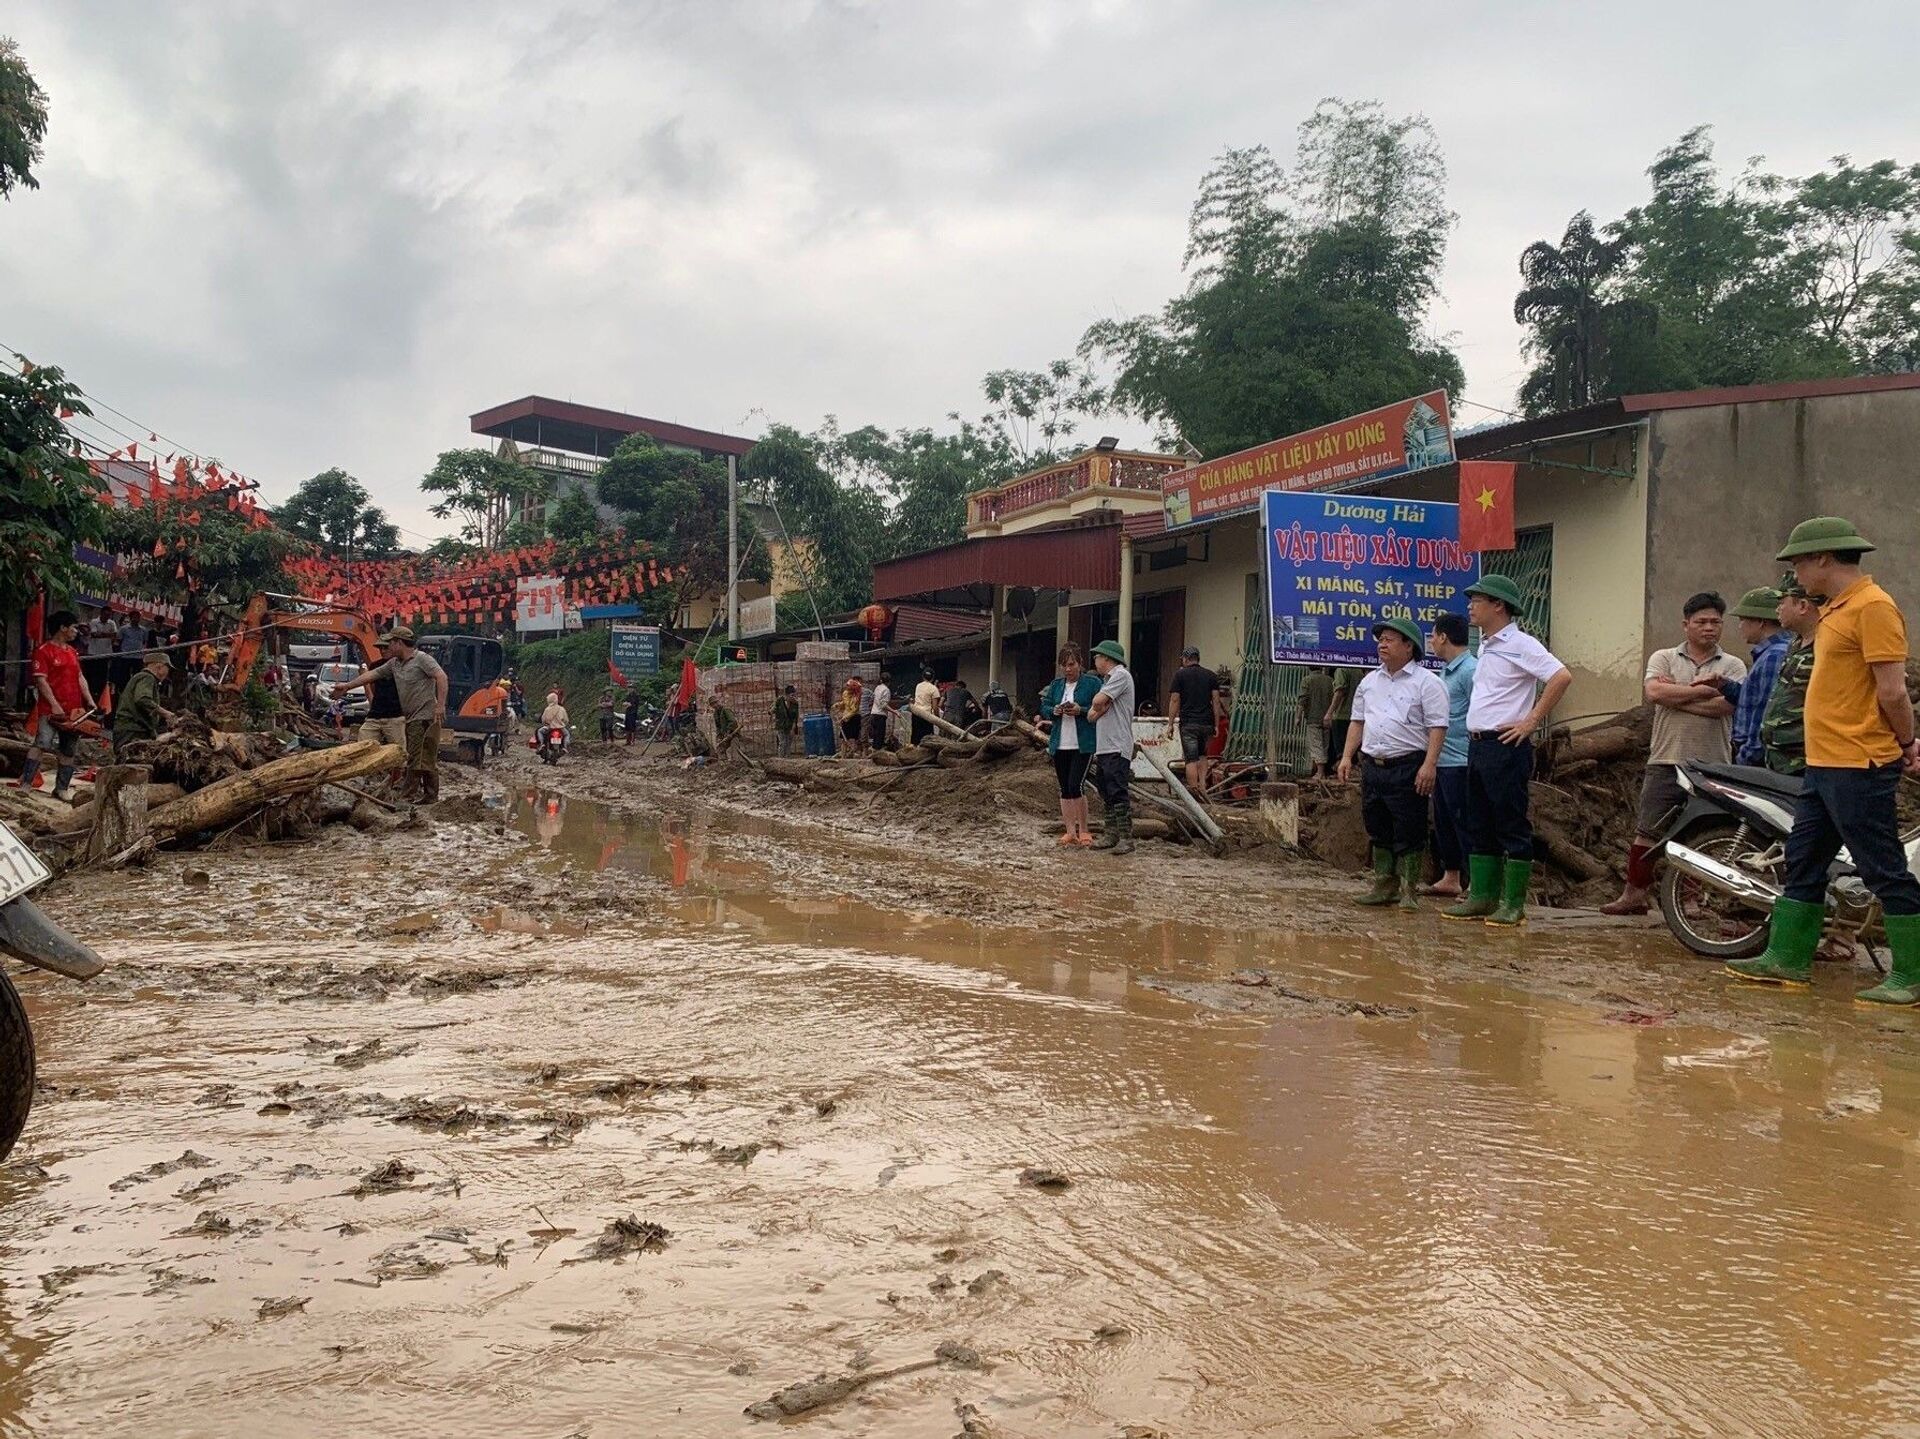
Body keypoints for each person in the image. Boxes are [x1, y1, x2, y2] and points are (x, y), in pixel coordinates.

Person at [1729, 518, 1920, 1005]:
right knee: (1805, 859)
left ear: (1822, 559)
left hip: (1859, 761)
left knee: (1882, 867)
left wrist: (1907, 742)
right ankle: (1787, 959)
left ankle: (1911, 975)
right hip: (1824, 761)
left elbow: (1893, 690)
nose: (1795, 575)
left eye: (1797, 563)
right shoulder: (1835, 609)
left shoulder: (1874, 608)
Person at [1602, 592, 1747, 916]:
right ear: (1686, 625)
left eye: (1715, 622)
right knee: (1647, 830)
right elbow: (1654, 692)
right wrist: (1703, 690)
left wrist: (1677, 695)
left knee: (1699, 834)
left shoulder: (1733, 665)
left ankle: (1690, 901)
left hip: (1712, 765)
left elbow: (1727, 705)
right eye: (1701, 622)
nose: (1709, 628)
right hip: (1666, 759)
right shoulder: (1664, 657)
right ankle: (1634, 893)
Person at [1442, 576, 1573, 927]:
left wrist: (1530, 722)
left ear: (1498, 605)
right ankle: (1483, 896)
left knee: (1510, 821)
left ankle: (1513, 903)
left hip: (1505, 746)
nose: (1470, 605)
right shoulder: (1486, 645)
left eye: (1477, 599)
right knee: (1478, 820)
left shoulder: (1521, 644)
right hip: (1478, 744)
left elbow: (1560, 676)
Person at [1337, 618, 1450, 909]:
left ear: (1408, 646)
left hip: (1409, 764)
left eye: (1389, 639)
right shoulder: (1369, 682)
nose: (1381, 644)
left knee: (1410, 827)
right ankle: (1384, 885)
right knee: (1377, 824)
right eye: (1380, 639)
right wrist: (1348, 756)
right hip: (1373, 765)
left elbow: (1438, 726)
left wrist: (1430, 764)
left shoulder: (1428, 683)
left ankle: (1408, 888)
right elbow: (1357, 722)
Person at [328, 627, 448, 803]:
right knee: (425, 756)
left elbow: (441, 677)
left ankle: (407, 797)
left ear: (399, 642)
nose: (388, 646)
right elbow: (372, 675)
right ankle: (430, 796)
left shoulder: (422, 659)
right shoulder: (395, 664)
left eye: (391, 643)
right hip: (412, 716)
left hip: (424, 716)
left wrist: (440, 705)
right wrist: (347, 686)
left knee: (416, 757)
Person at [1424, 613, 1477, 897]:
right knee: (1443, 820)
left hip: (1462, 760)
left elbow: (1479, 714)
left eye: (1433, 635)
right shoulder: (1445, 672)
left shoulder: (1471, 670)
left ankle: (1476, 881)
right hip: (1442, 760)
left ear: (1444, 637)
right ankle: (1451, 876)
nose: (1431, 641)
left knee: (1464, 821)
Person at [20, 611, 96, 801]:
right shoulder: (43, 651)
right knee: (42, 744)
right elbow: (41, 681)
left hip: (73, 711)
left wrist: (90, 700)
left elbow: (80, 677)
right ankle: (26, 784)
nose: (76, 631)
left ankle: (61, 788)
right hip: (50, 710)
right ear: (62, 628)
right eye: (73, 627)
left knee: (69, 749)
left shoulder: (72, 652)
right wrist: (54, 704)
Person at [1757, 573, 1819, 775]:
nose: (1777, 610)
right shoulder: (1795, 644)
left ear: (1802, 606)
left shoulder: (1829, 647)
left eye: (1781, 602)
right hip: (1779, 761)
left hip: (1808, 763)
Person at [1040, 643, 1101, 847]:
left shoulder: (1092, 683)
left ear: (1080, 664)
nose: (1068, 669)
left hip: (1082, 742)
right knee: (1065, 787)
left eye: (1071, 664)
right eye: (1064, 665)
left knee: (1077, 785)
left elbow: (1099, 706)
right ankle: (1069, 831)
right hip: (1060, 742)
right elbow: (1045, 705)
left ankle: (1084, 829)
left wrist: (1081, 710)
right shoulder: (1056, 685)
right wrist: (1054, 711)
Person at [1725, 585, 1789, 766]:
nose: (1739, 626)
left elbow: (1765, 713)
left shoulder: (1774, 657)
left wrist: (1747, 757)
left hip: (1756, 759)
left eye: (1743, 619)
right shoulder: (1771, 653)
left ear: (1760, 622)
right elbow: (1753, 699)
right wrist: (1725, 686)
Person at [1085, 639, 1137, 854]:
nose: (1095, 660)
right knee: (1106, 790)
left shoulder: (1120, 675)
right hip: (1105, 745)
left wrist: (1099, 706)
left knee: (1117, 790)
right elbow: (1090, 715)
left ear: (1106, 657)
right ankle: (1111, 833)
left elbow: (1096, 703)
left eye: (1097, 656)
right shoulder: (1108, 680)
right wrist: (1099, 707)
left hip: (1117, 743)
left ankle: (1126, 837)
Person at [1167, 645, 1225, 795]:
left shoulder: (1180, 676)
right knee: (1203, 755)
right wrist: (1217, 724)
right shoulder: (1211, 676)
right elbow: (1216, 701)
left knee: (1191, 759)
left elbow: (1174, 700)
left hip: (1189, 725)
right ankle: (1203, 787)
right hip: (1207, 723)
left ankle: (1193, 792)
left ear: (1186, 659)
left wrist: (1170, 724)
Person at [113, 648, 178, 750]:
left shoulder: (142, 678)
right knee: (131, 763)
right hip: (133, 730)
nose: (167, 672)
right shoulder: (147, 678)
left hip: (133, 729)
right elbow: (142, 699)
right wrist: (166, 713)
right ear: (159, 666)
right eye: (167, 668)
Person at [1298, 667, 1333, 779]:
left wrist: (1297, 717)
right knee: (1325, 744)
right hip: (1327, 718)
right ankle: (1322, 771)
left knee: (1316, 744)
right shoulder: (1329, 680)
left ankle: (1320, 772)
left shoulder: (1307, 680)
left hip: (1313, 718)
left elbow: (1302, 700)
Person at [1326, 667, 1361, 777]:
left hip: (1342, 715)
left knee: (1341, 751)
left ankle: (1342, 775)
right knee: (1353, 752)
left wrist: (1330, 712)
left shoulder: (1341, 670)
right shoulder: (1359, 671)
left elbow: (1339, 692)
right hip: (1356, 715)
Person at [83, 612, 116, 699]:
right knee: (91, 675)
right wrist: (107, 635)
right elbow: (94, 634)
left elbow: (114, 635)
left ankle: (100, 696)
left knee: (102, 677)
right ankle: (90, 694)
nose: (107, 617)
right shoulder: (94, 621)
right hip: (93, 653)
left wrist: (102, 634)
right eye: (106, 614)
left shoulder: (112, 623)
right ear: (102, 614)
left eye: (109, 615)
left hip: (105, 654)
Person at [834, 678, 863, 756]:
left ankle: (853, 754)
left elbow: (854, 710)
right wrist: (839, 704)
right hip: (846, 717)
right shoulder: (845, 693)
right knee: (844, 738)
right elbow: (845, 702)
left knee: (853, 738)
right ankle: (843, 756)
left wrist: (843, 718)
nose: (847, 689)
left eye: (849, 688)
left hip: (854, 717)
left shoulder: (857, 696)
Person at [911, 670, 941, 746]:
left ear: (923, 677)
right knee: (927, 739)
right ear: (933, 678)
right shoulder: (934, 689)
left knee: (916, 737)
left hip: (916, 713)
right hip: (926, 716)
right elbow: (935, 707)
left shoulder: (918, 686)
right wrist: (938, 719)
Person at [772, 684, 801, 756]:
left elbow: (795, 718)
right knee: (782, 742)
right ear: (787, 695)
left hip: (790, 725)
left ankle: (787, 758)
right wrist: (771, 711)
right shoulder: (779, 700)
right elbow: (774, 708)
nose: (793, 697)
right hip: (781, 725)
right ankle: (781, 758)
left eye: (794, 695)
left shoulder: (795, 704)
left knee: (788, 743)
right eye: (791, 695)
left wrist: (793, 728)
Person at [867, 675, 893, 753]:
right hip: (880, 715)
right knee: (879, 736)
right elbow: (883, 705)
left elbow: (874, 699)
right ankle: (877, 754)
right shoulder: (886, 690)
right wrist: (895, 711)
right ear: (889, 682)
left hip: (873, 714)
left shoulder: (877, 688)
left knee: (875, 736)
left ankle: (874, 752)